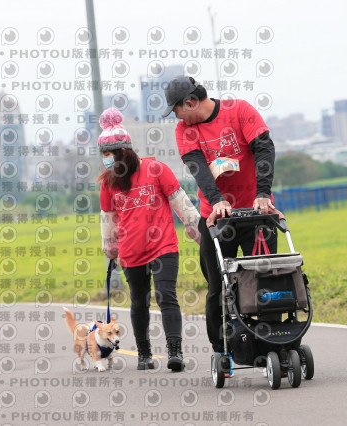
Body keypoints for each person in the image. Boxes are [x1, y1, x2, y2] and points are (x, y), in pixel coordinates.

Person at [162, 75, 279, 358]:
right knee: (217, 286)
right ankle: (222, 349)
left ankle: (271, 344)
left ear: (190, 103)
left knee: (265, 279)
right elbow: (198, 167)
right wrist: (217, 201)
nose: (176, 117)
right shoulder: (184, 130)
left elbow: (264, 147)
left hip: (256, 212)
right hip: (216, 218)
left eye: (176, 110)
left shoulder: (239, 110)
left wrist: (263, 193)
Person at [97, 107, 201, 372]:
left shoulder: (156, 169)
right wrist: (110, 246)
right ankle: (144, 354)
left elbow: (180, 201)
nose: (106, 160)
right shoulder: (109, 183)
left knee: (166, 296)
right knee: (139, 301)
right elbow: (108, 218)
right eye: (103, 155)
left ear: (124, 151)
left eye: (109, 154)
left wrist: (197, 229)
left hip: (163, 246)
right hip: (131, 251)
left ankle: (175, 352)